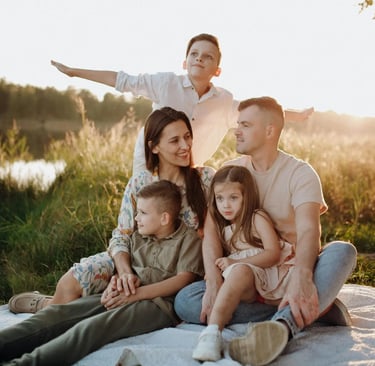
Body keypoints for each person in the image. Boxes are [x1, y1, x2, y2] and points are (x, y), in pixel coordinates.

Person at [174, 97, 357, 366]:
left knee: (343, 252)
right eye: (238, 124)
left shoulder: (301, 173)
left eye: (245, 125)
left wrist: (303, 276)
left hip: (290, 269)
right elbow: (211, 232)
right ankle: (316, 308)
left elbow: (309, 231)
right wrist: (213, 281)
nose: (236, 130)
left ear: (270, 131)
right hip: (248, 276)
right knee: (186, 301)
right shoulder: (231, 172)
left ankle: (283, 326)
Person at [8, 107, 214, 313]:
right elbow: (122, 235)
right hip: (135, 260)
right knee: (71, 282)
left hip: (179, 268)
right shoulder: (140, 183)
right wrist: (124, 273)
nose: (185, 145)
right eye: (175, 140)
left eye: (187, 137)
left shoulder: (205, 180)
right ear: (154, 147)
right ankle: (46, 304)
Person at [0, 180, 204, 365]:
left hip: (157, 306)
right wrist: (115, 284)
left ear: (164, 218)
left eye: (142, 213)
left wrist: (135, 295)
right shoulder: (139, 237)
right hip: (124, 294)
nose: (136, 218)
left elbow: (182, 280)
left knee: (90, 328)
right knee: (57, 313)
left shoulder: (189, 240)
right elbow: (123, 270)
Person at [51, 33, 313, 174]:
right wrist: (75, 71)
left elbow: (258, 113)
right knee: (147, 208)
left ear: (217, 70)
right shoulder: (165, 83)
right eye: (194, 54)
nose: (200, 59)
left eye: (207, 56)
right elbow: (121, 80)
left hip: (190, 167)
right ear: (185, 62)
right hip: (151, 159)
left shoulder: (224, 101)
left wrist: (296, 116)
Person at [192, 165, 295, 362]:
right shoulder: (224, 229)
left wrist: (235, 262)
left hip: (274, 274)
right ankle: (211, 334)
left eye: (233, 198)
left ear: (246, 197)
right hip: (252, 286)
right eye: (220, 198)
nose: (226, 205)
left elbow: (273, 253)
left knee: (238, 272)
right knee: (190, 298)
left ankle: (212, 331)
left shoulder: (256, 218)